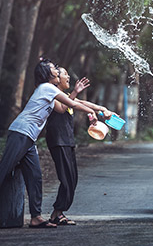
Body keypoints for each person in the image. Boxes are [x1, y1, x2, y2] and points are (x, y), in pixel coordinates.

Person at [0, 58, 110, 229]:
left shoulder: (49, 91)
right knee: (4, 170)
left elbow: (63, 108)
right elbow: (72, 104)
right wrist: (94, 113)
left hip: (29, 138)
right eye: (53, 70)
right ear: (46, 75)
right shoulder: (46, 88)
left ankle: (36, 217)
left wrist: (88, 103)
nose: (57, 71)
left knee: (35, 176)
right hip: (21, 133)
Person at [45, 67, 114, 226]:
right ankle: (57, 213)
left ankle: (58, 213)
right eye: (64, 74)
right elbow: (62, 109)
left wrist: (102, 109)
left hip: (67, 140)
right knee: (66, 178)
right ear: (56, 78)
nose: (68, 76)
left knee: (72, 178)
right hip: (58, 140)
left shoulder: (66, 96)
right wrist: (76, 92)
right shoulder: (52, 94)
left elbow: (81, 103)